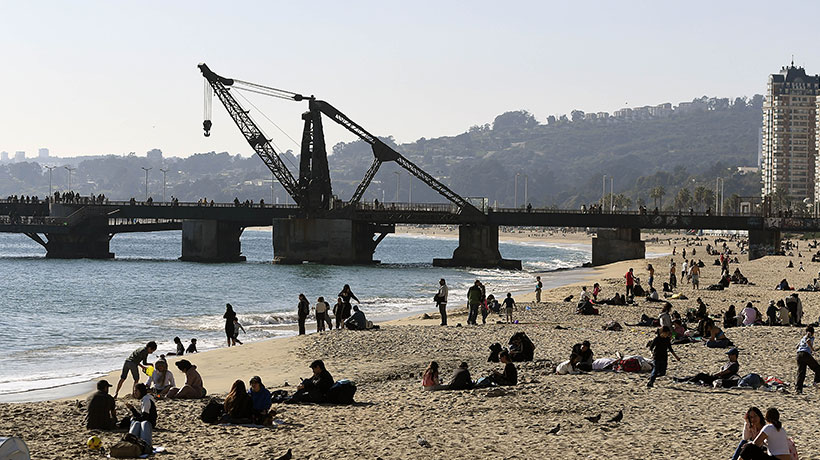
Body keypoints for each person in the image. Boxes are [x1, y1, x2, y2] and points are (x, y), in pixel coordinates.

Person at [674, 348, 740, 387]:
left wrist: (715, 375)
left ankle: (686, 381)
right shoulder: (729, 362)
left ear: (734, 355)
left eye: (730, 355)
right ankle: (683, 379)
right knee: (697, 375)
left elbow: (724, 372)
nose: (729, 356)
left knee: (701, 375)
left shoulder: (734, 365)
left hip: (718, 379)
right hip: (717, 377)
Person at [125, 383, 157, 454]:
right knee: (135, 422)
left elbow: (145, 417)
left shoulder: (146, 399)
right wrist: (132, 409)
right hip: (146, 421)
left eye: (136, 391)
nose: (134, 393)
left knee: (138, 422)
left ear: (141, 391)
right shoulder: (144, 399)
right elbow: (142, 416)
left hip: (149, 423)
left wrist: (134, 418)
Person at [795, 326, 820, 394]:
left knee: (801, 372)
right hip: (805, 354)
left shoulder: (802, 338)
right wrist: (812, 349)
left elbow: (797, 346)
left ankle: (798, 390)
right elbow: (808, 340)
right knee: (817, 368)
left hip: (799, 354)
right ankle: (816, 382)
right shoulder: (810, 335)